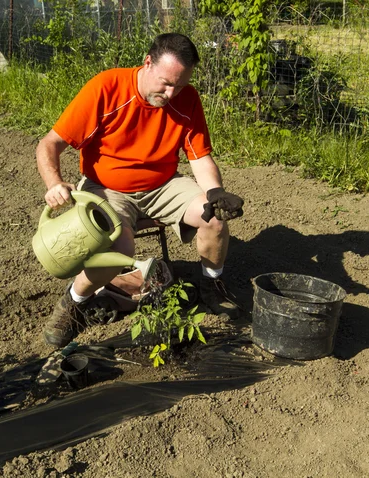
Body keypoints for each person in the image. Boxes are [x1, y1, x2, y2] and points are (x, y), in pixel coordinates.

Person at [36, 33, 244, 348]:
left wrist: (215, 193)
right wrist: (54, 183)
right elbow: (50, 143)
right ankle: (73, 304)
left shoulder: (186, 100)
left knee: (213, 218)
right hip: (107, 187)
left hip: (162, 184)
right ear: (147, 63)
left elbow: (199, 157)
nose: (172, 92)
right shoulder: (106, 88)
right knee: (118, 248)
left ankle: (211, 286)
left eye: (181, 85)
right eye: (166, 83)